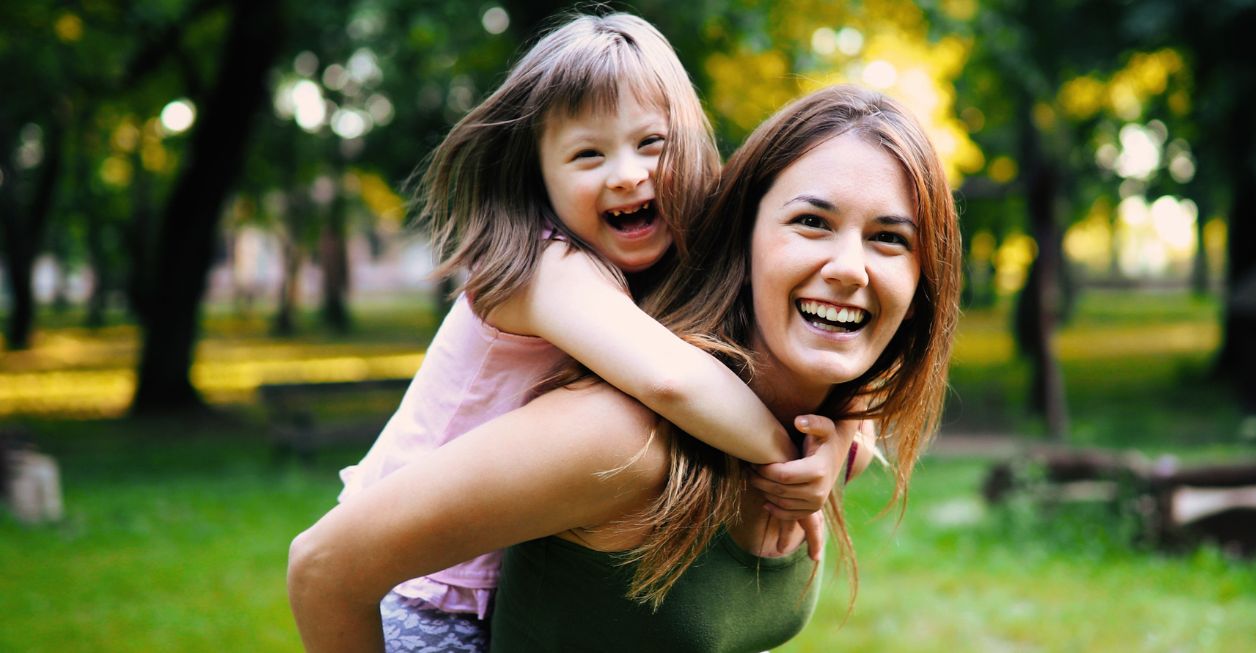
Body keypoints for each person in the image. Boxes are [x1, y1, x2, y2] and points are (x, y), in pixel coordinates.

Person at [288, 84, 961, 652]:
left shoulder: (819, 434)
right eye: (812, 221)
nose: (849, 267)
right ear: (743, 232)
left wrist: (840, 435)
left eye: (889, 237)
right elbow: (323, 567)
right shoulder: (623, 439)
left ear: (923, 277)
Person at [334, 13, 852, 650]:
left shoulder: (662, 261)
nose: (628, 173)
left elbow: (810, 352)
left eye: (652, 143)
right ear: (539, 178)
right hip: (424, 593)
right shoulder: (542, 266)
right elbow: (674, 381)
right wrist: (787, 460)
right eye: (588, 154)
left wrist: (843, 440)